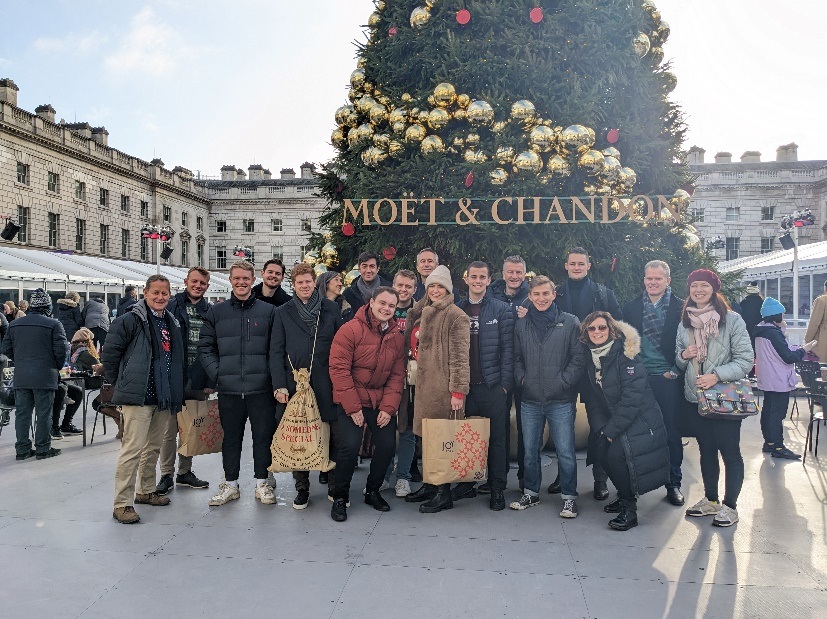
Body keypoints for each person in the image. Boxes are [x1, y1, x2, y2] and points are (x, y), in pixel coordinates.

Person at [102, 275, 185, 524]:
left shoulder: (170, 321)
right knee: (132, 450)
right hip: (137, 395)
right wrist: (122, 385)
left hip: (162, 395)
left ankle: (146, 490)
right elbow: (110, 357)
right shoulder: (129, 320)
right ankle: (121, 504)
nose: (160, 297)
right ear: (145, 293)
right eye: (156, 293)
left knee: (153, 447)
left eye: (165, 293)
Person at [676, 269, 753, 527]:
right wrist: (684, 355)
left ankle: (730, 506)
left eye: (704, 286)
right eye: (694, 285)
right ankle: (711, 500)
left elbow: (745, 360)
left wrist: (716, 375)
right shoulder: (684, 321)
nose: (699, 290)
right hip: (696, 399)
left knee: (730, 452)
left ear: (714, 289)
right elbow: (678, 359)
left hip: (723, 399)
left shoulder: (732, 320)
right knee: (706, 451)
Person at [580, 312, 670, 530]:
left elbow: (632, 401)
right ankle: (623, 494)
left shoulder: (626, 356)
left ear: (611, 330)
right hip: (614, 420)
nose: (597, 332)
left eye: (602, 328)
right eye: (592, 329)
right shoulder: (590, 359)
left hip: (639, 420)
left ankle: (630, 510)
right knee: (600, 453)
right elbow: (592, 400)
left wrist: (611, 431)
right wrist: (601, 428)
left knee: (615, 455)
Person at [199, 261, 278, 508]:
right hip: (229, 388)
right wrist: (219, 373)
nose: (241, 282)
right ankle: (230, 484)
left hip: (260, 388)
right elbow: (205, 347)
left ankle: (262, 482)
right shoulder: (217, 312)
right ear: (230, 280)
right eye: (237, 278)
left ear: (253, 280)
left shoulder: (268, 312)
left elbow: (276, 350)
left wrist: (271, 378)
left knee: (262, 437)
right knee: (231, 438)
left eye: (246, 278)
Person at [328, 287, 406, 521]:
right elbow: (339, 370)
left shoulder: (396, 337)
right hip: (352, 399)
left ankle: (372, 490)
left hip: (380, 400)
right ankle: (340, 495)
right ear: (371, 303)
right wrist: (353, 408)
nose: (386, 309)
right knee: (349, 447)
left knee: (386, 445)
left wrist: (388, 407)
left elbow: (397, 375)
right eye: (382, 303)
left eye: (391, 306)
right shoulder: (350, 329)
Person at [510, 276, 585, 518]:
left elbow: (578, 359)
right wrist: (522, 378)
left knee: (565, 450)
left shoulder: (570, 322)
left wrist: (563, 382)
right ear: (530, 297)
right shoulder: (522, 325)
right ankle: (531, 492)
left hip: (561, 399)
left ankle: (569, 497)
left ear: (554, 294)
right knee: (530, 450)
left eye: (546, 294)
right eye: (536, 294)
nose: (541, 299)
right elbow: (516, 358)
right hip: (530, 398)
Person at [271, 263, 343, 509]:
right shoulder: (282, 312)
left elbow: (340, 345)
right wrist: (279, 385)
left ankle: (334, 485)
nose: (304, 286)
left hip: (326, 381)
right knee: (298, 433)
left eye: (308, 281)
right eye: (300, 282)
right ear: (294, 284)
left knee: (331, 434)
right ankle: (302, 488)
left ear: (315, 283)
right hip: (294, 385)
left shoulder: (330, 308)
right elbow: (276, 350)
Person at [554, 247, 623, 502]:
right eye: (572, 263)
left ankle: (600, 479)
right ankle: (564, 476)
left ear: (588, 265)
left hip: (596, 370)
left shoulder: (604, 294)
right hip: (565, 367)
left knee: (599, 425)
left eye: (581, 263)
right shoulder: (556, 293)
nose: (576, 267)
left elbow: (619, 329)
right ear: (566, 266)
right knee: (563, 425)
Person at [403, 265, 470, 513]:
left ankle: (444, 493)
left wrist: (457, 392)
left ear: (448, 289)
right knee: (425, 439)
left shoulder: (456, 316)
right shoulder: (424, 312)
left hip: (442, 389)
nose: (435, 290)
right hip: (422, 388)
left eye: (440, 286)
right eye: (431, 285)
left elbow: (461, 358)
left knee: (442, 440)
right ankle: (430, 485)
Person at [621, 260, 686, 507]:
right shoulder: (631, 308)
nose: (653, 282)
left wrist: (674, 371)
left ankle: (674, 483)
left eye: (658, 278)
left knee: (671, 431)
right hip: (639, 379)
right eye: (649, 278)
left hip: (669, 379)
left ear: (667, 281)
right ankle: (634, 484)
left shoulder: (681, 308)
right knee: (636, 432)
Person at [452, 261, 514, 511]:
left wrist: (504, 386)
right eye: (473, 276)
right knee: (467, 438)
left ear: (489, 280)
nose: (478, 281)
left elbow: (509, 350)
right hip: (467, 388)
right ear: (466, 279)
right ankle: (467, 483)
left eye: (483, 277)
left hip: (492, 387)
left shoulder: (501, 310)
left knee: (497, 440)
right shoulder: (457, 309)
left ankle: (497, 488)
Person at [155, 267, 214, 495]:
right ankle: (167, 474)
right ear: (186, 282)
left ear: (207, 286)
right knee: (169, 430)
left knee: (190, 428)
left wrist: (210, 378)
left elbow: (213, 346)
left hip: (198, 377)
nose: (198, 286)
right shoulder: (171, 305)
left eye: (202, 283)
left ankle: (184, 471)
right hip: (173, 376)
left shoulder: (210, 310)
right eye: (194, 281)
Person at [1, 289, 67, 461]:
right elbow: (61, 352)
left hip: (22, 376)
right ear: (47, 306)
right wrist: (55, 367)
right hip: (45, 375)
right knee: (44, 413)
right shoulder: (54, 324)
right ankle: (43, 448)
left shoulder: (15, 324)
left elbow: (6, 349)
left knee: (22, 414)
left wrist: (21, 360)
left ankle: (22, 449)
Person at [754, 297, 817, 460]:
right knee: (777, 414)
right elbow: (788, 357)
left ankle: (769, 443)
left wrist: (782, 331)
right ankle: (779, 446)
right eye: (781, 314)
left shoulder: (761, 330)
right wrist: (804, 349)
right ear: (776, 315)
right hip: (778, 378)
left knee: (768, 411)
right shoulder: (774, 334)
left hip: (767, 377)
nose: (783, 317)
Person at [488, 255, 530, 492]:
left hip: (525, 370)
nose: (514, 276)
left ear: (525, 274)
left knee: (527, 428)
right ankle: (497, 478)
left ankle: (526, 478)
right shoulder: (490, 296)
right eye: (510, 272)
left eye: (519, 272)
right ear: (503, 274)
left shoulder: (533, 297)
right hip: (498, 370)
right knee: (499, 427)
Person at [383, 269, 419, 496]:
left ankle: (403, 476)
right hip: (385, 378)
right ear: (393, 285)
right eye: (400, 285)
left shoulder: (421, 312)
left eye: (408, 286)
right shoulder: (384, 309)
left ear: (415, 290)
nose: (403, 290)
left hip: (412, 380)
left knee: (407, 431)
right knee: (384, 429)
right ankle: (383, 475)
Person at [342, 251, 391, 319]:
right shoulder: (349, 294)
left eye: (372, 266)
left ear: (378, 269)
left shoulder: (390, 291)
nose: (368, 270)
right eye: (364, 266)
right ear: (359, 268)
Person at [804, 279, 827, 363]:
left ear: (825, 288)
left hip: (823, 341)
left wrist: (807, 340)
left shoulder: (822, 300)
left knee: (823, 369)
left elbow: (814, 323)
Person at [736, 282, 764, 347]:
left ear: (747, 292)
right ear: (758, 292)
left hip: (746, 333)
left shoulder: (743, 304)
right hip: (760, 332)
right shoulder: (763, 303)